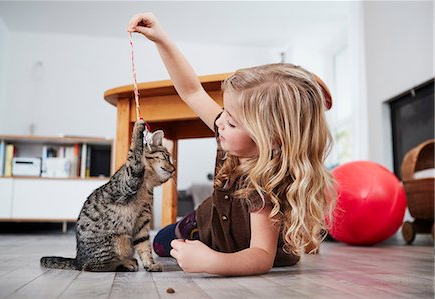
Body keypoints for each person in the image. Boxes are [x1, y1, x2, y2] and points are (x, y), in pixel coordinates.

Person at [127, 12, 336, 276]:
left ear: (270, 138)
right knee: (160, 242)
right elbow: (191, 90)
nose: (220, 122)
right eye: (224, 111)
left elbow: (261, 256)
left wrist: (212, 263)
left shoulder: (265, 185)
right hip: (209, 223)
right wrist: (162, 40)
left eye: (233, 122)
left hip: (239, 248)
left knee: (170, 245)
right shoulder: (235, 135)